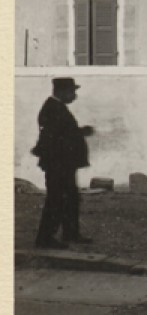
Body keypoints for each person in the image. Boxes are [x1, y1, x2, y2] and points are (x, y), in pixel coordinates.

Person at [32, 77, 95, 249]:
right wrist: (81, 132)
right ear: (62, 92)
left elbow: (63, 133)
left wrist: (79, 132)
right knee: (56, 199)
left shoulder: (56, 108)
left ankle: (71, 233)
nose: (74, 96)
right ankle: (45, 238)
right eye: (72, 92)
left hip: (63, 164)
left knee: (70, 198)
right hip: (57, 164)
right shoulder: (53, 109)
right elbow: (58, 137)